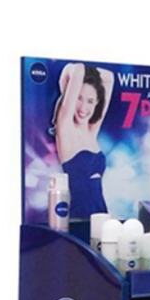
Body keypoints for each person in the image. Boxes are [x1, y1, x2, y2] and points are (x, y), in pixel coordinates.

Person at [52, 63, 114, 219]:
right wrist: (67, 77)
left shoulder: (91, 131)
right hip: (80, 218)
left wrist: (90, 76)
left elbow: (109, 78)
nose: (83, 107)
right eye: (78, 98)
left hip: (102, 215)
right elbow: (78, 69)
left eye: (90, 101)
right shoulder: (66, 128)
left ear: (97, 103)